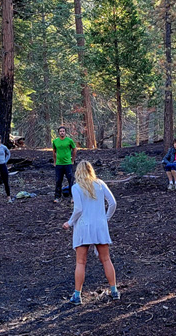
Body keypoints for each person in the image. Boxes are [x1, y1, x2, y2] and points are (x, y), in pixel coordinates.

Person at [61, 161, 119, 304]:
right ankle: (114, 291)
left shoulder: (76, 187)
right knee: (106, 259)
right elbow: (113, 203)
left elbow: (78, 209)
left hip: (83, 226)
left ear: (78, 172)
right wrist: (106, 218)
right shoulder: (100, 183)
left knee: (81, 262)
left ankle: (77, 295)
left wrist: (70, 222)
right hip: (100, 226)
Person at [52, 126, 77, 203]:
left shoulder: (69, 140)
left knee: (71, 180)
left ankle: (73, 197)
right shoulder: (55, 141)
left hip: (68, 164)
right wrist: (55, 161)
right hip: (59, 164)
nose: (62, 132)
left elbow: (74, 149)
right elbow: (54, 151)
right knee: (58, 180)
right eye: (60, 131)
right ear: (58, 133)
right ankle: (57, 197)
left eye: (63, 131)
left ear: (65, 132)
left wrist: (72, 160)